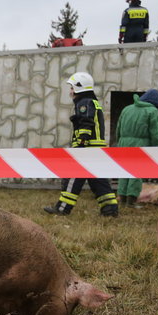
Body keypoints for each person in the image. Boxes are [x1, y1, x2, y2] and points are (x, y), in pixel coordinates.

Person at [44, 72, 119, 217]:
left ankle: (62, 209)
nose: (70, 92)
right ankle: (110, 209)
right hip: (96, 149)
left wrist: (81, 143)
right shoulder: (93, 102)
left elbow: (86, 123)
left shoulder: (84, 102)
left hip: (86, 148)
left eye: (72, 88)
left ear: (80, 87)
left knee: (73, 178)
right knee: (98, 180)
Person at [116, 89, 158, 208]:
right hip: (140, 144)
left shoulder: (127, 109)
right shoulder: (152, 111)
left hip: (123, 143)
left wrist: (119, 143)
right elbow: (155, 133)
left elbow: (118, 129)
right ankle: (131, 201)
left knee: (124, 170)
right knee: (136, 172)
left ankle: (122, 199)